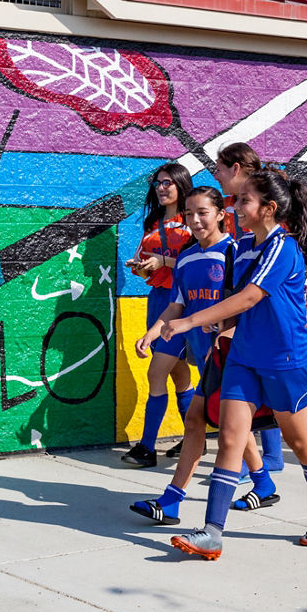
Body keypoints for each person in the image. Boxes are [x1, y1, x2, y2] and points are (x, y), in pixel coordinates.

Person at [161, 169, 307, 560]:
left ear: (269, 209)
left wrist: (189, 321)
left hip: (284, 358)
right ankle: (212, 532)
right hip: (243, 357)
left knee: (298, 440)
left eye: (244, 200)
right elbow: (232, 303)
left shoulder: (283, 246)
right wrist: (215, 338)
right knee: (229, 438)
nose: (236, 205)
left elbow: (248, 298)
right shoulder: (242, 246)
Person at [129, 187, 277, 524]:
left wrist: (224, 336)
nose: (195, 220)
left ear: (220, 214)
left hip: (230, 355)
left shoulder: (236, 252)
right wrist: (152, 333)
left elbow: (246, 306)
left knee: (201, 420)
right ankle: (263, 482)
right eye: (190, 213)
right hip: (202, 350)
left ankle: (172, 500)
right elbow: (177, 304)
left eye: (203, 213)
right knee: (229, 423)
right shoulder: (186, 257)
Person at [214, 143, 286, 474]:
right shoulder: (238, 208)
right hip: (247, 303)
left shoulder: (258, 208)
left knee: (259, 385)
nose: (216, 173)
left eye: (220, 167)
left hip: (265, 308)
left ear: (237, 169)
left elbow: (263, 273)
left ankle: (267, 461)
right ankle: (261, 461)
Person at [121, 163, 194, 467]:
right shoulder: (152, 222)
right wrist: (140, 267)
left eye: (168, 183)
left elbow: (198, 264)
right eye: (158, 183)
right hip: (158, 299)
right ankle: (194, 440)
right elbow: (148, 263)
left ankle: (148, 447)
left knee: (157, 372)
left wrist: (163, 261)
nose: (162, 188)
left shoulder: (191, 222)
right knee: (179, 374)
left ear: (181, 185)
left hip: (182, 303)